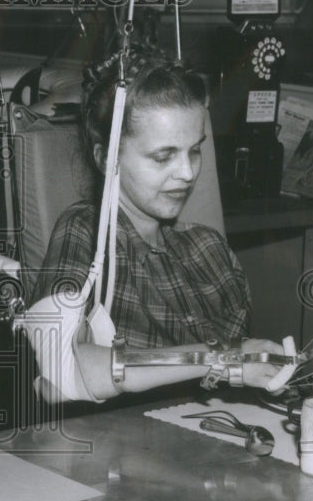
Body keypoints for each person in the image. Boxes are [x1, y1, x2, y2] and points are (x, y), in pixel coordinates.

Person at [24, 47, 286, 401]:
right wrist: (218, 357)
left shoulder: (210, 253)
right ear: (106, 159)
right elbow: (60, 373)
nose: (188, 173)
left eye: (195, 150)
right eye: (164, 156)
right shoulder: (86, 234)